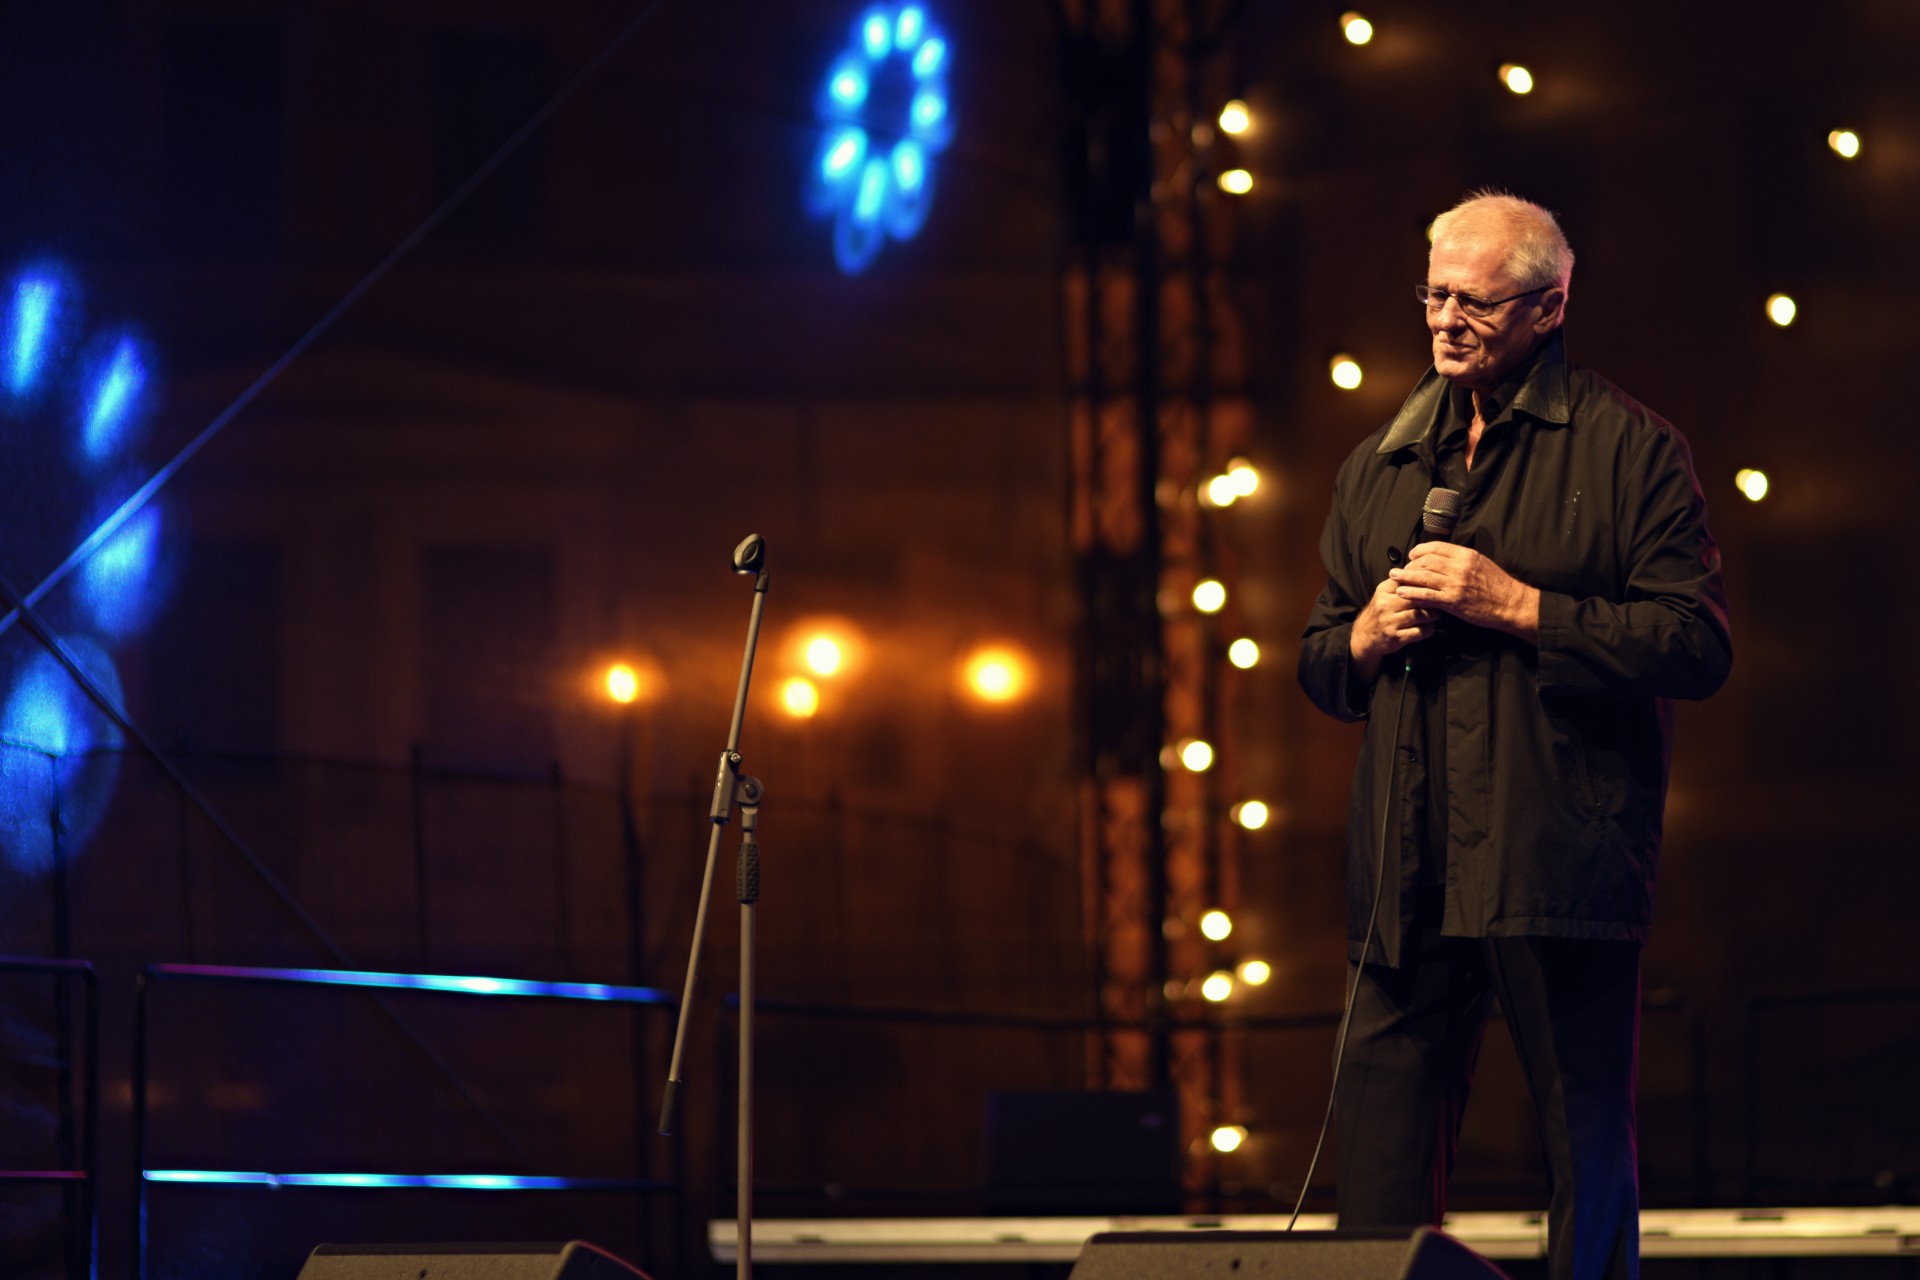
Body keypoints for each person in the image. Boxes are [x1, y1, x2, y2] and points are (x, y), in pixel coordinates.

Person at [1296, 191, 1732, 1280]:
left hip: (1555, 858)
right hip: (1406, 868)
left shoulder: (1632, 451)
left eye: (1476, 302)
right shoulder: (1381, 462)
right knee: (1380, 1166)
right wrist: (1362, 637)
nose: (1446, 319)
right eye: (1434, 294)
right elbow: (1318, 660)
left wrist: (1521, 606)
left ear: (1549, 307)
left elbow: (1695, 645)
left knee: (1584, 1141)